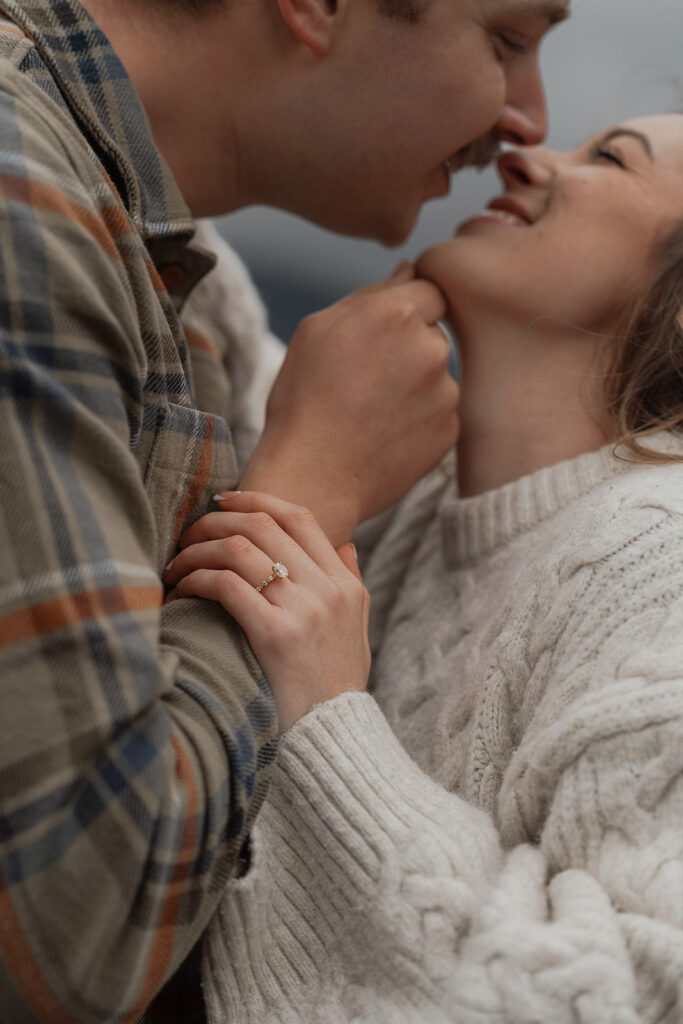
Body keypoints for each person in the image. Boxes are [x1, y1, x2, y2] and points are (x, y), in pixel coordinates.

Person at [0, 0, 571, 1020]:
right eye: (507, 40)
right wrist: (308, 488)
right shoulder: (19, 202)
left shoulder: (116, 233)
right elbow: (72, 933)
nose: (528, 118)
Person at [162, 113, 683, 1021]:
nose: (526, 153)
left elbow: (607, 1001)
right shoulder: (437, 497)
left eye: (607, 158)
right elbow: (265, 403)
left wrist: (325, 713)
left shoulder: (659, 559)